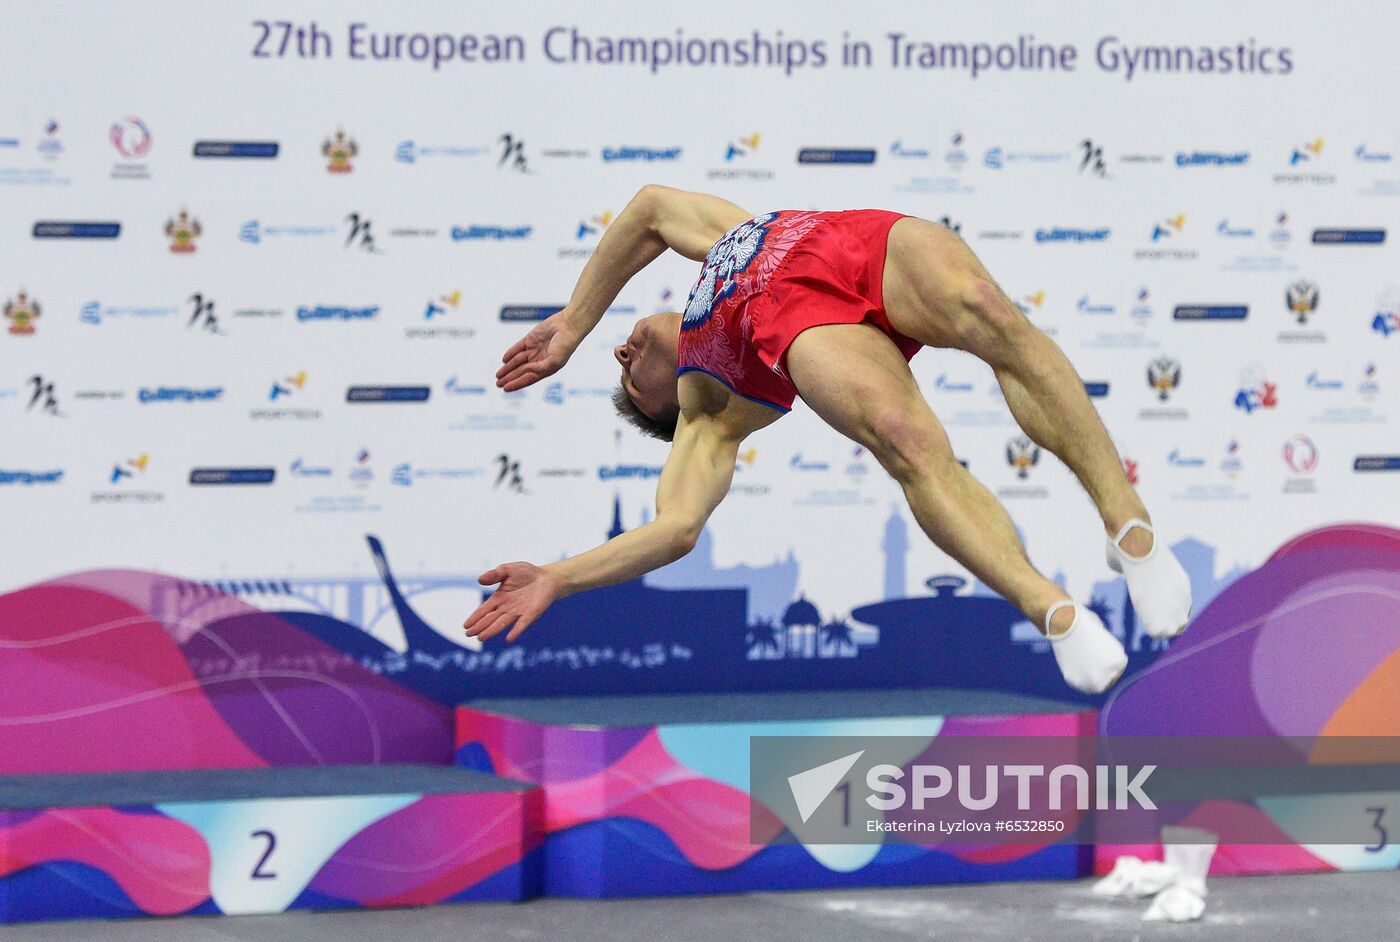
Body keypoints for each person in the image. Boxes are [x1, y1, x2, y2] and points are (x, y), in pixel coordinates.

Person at [462, 185, 1192, 693]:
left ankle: (1129, 529)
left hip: (850, 243)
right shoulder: (707, 417)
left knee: (991, 313)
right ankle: (1052, 611)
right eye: (632, 387)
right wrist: (561, 576)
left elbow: (651, 208)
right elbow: (676, 528)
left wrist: (574, 321)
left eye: (616, 359)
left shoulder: (718, 245)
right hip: (808, 330)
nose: (623, 359)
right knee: (908, 441)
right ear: (669, 413)